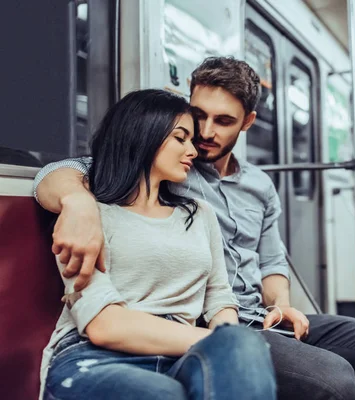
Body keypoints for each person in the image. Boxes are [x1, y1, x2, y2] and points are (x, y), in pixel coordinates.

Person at [34, 57, 355, 400]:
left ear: (248, 123)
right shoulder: (165, 171)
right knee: (335, 381)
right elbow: (64, 173)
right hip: (203, 321)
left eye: (223, 122)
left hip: (254, 314)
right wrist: (77, 201)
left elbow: (271, 261)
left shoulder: (254, 187)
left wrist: (281, 305)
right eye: (196, 117)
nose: (203, 134)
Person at [39, 89, 276, 400]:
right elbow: (105, 326)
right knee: (166, 394)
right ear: (143, 134)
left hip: (180, 353)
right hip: (96, 356)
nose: (193, 150)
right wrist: (213, 340)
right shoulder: (87, 217)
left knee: (242, 343)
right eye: (181, 138)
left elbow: (219, 296)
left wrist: (226, 343)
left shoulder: (198, 214)